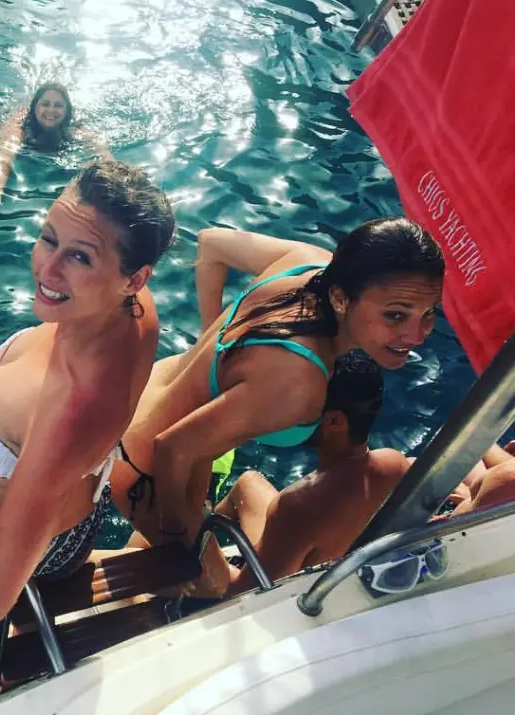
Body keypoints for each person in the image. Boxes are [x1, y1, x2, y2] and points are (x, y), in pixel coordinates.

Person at [0, 160, 175, 700]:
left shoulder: (70, 405)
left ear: (134, 276)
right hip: (71, 533)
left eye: (79, 256)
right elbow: (58, 452)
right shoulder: (135, 311)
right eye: (48, 238)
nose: (48, 267)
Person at [110, 218, 445, 589]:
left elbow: (211, 244)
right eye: (395, 315)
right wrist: (175, 540)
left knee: (203, 559)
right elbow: (170, 448)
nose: (417, 335)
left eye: (429, 312)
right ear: (340, 299)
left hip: (153, 397)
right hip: (148, 469)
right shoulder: (298, 383)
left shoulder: (309, 262)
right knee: (213, 592)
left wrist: (211, 344)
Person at [213, 352, 409, 595]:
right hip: (345, 567)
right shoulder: (394, 464)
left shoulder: (299, 507)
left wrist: (201, 542)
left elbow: (244, 593)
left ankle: (208, 531)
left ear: (334, 421)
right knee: (248, 482)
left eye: (302, 401)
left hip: (296, 593)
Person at [0, 82, 113, 207]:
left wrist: (113, 177)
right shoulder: (19, 127)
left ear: (66, 111)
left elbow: (102, 151)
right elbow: (5, 155)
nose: (51, 110)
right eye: (45, 104)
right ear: (35, 107)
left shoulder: (74, 128)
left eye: (58, 105)